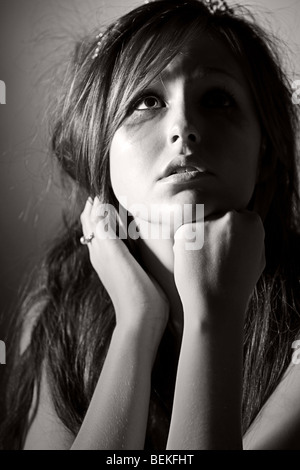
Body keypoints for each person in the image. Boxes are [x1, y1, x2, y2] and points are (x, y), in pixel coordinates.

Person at [0, 0, 300, 450]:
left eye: (217, 99)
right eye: (147, 100)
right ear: (99, 150)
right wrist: (137, 319)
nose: (184, 126)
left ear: (266, 156)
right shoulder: (62, 306)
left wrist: (212, 317)